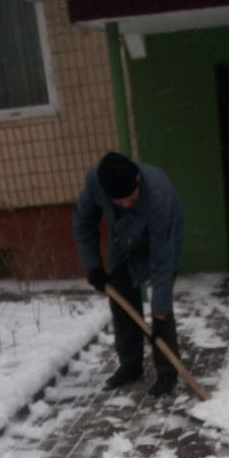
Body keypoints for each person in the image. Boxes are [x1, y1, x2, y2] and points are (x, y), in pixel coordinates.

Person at [73, 151, 184, 397]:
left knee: (161, 307)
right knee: (120, 297)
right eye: (118, 201)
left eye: (130, 198)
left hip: (162, 237)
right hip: (124, 241)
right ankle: (131, 366)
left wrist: (158, 314)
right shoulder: (95, 183)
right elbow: (83, 224)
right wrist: (93, 266)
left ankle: (167, 371)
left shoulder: (158, 195)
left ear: (137, 181)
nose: (125, 204)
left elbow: (162, 263)